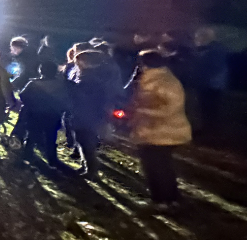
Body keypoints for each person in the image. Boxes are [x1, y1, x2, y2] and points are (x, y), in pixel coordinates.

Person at [129, 50, 192, 211]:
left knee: (157, 167)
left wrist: (142, 111)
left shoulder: (166, 81)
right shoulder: (149, 77)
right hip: (150, 130)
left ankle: (162, 201)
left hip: (164, 132)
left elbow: (172, 109)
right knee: (160, 166)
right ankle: (170, 198)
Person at [70, 50, 123, 179]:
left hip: (86, 115)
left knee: (86, 142)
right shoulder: (90, 76)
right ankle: (86, 166)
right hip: (89, 115)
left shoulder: (89, 79)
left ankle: (91, 170)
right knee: (83, 141)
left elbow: (84, 98)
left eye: (78, 62)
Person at [16, 61, 73, 167]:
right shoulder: (61, 84)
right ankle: (52, 160)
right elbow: (66, 98)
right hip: (53, 115)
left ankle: (27, 158)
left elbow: (23, 95)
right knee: (51, 138)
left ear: (40, 71)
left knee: (31, 137)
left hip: (35, 114)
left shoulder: (34, 84)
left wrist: (32, 104)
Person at [193, 27, 228, 137]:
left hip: (211, 84)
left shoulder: (213, 50)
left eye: (197, 37)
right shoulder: (214, 49)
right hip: (212, 84)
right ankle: (208, 130)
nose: (195, 40)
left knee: (209, 109)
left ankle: (209, 132)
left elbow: (211, 68)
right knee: (208, 109)